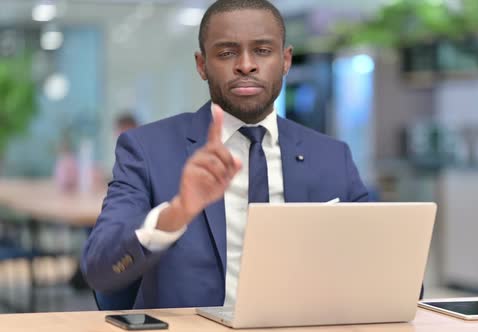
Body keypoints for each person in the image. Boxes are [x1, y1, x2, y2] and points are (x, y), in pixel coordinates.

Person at [82, 0, 368, 309]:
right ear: (202, 65)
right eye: (227, 53)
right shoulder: (146, 150)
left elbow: (391, 274)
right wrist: (177, 212)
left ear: (286, 60)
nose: (246, 65)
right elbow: (100, 271)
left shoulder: (332, 156)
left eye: (262, 50)